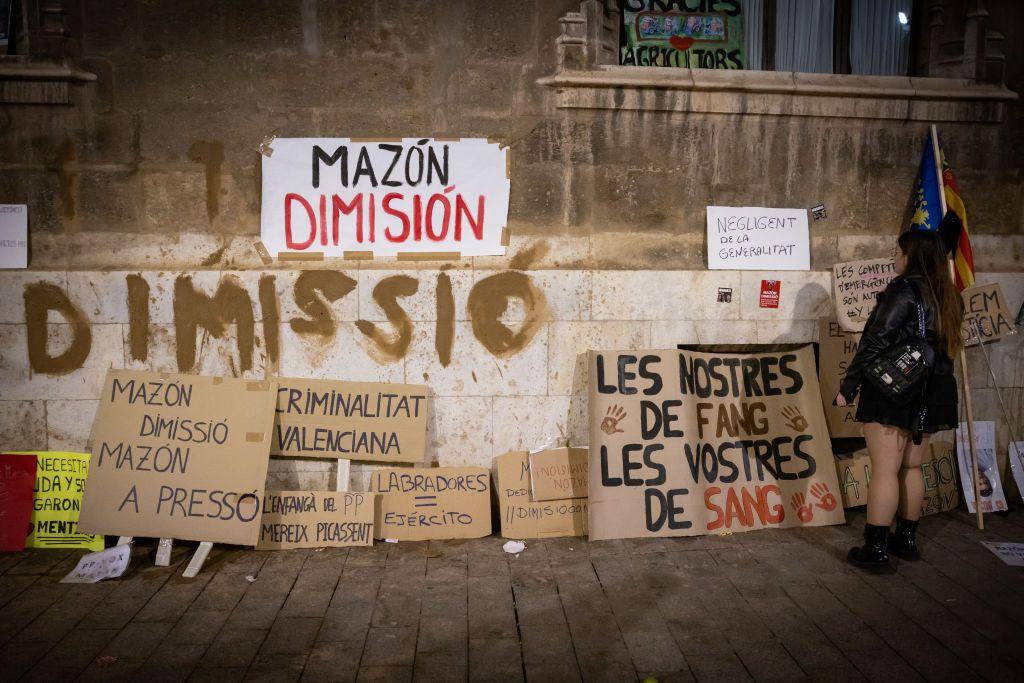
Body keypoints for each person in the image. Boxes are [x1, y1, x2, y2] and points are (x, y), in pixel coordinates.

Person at [835, 228, 962, 572]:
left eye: (899, 252)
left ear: (913, 256)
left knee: (885, 470)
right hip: (934, 391)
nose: (896, 257)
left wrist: (848, 386)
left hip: (895, 391)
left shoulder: (903, 290)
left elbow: (875, 342)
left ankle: (875, 549)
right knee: (910, 466)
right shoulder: (948, 295)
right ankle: (905, 540)